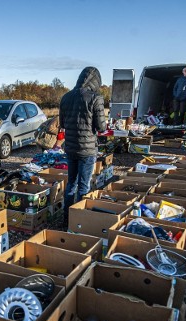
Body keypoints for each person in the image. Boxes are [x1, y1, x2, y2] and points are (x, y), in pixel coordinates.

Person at [57, 66, 107, 227]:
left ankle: (66, 218)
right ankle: (78, 221)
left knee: (71, 183)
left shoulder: (66, 97)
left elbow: (63, 124)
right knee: (84, 186)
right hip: (87, 150)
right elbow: (101, 127)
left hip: (71, 148)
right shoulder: (95, 98)